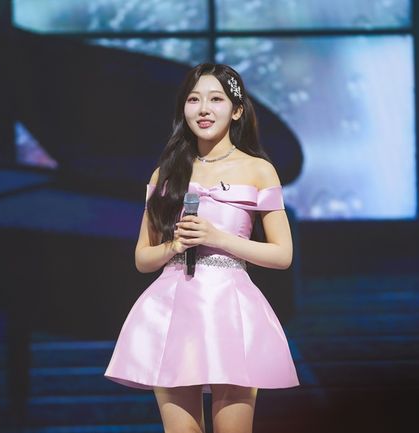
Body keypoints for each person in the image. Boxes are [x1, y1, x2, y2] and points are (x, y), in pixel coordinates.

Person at [104, 63, 299, 433]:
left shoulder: (259, 170)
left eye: (216, 100)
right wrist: (173, 245)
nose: (203, 109)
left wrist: (217, 238)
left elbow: (282, 254)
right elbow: (142, 258)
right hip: (172, 307)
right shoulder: (166, 172)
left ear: (236, 110)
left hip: (230, 308)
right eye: (194, 100)